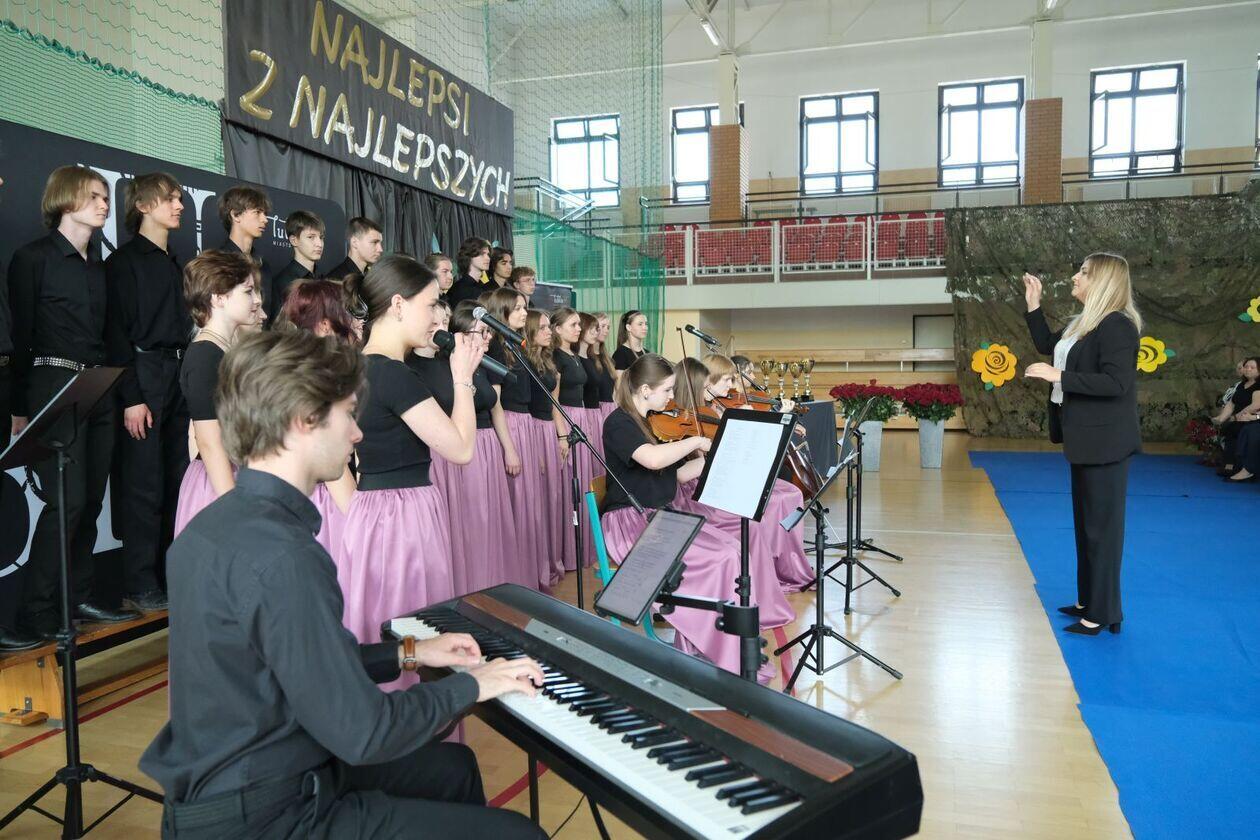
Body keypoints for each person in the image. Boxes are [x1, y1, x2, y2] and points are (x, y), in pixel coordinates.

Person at [139, 328, 545, 840]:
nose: (357, 433)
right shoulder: (285, 556)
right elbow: (365, 731)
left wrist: (411, 654)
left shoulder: (213, 527)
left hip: (241, 780)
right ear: (304, 420)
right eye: (348, 414)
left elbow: (300, 665)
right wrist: (475, 684)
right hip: (266, 813)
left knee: (452, 767)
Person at [338, 255, 483, 687]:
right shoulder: (394, 375)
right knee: (415, 625)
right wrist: (463, 378)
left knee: (379, 617)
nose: (438, 316)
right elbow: (461, 449)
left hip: (369, 511)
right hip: (404, 514)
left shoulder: (354, 366)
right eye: (431, 304)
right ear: (398, 305)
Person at [7, 165, 139, 637]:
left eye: (105, 196)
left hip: (98, 387)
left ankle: (77, 598)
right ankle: (36, 611)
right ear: (66, 198)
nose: (105, 204)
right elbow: (21, 338)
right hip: (52, 385)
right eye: (95, 195)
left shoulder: (101, 267)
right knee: (67, 500)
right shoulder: (32, 258)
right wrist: (20, 406)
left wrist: (124, 395)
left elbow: (113, 336)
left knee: (92, 499)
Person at [600, 354, 770, 679]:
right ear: (645, 390)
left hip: (660, 516)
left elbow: (675, 475)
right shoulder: (619, 422)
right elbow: (652, 460)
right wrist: (696, 440)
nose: (671, 397)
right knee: (719, 557)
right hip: (631, 521)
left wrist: (715, 458)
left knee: (732, 548)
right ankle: (710, 646)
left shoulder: (649, 421)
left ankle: (720, 643)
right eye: (666, 390)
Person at [1023, 256, 1141, 636]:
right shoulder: (1084, 323)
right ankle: (1089, 600)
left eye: (1084, 272)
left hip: (1107, 443)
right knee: (1086, 528)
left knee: (1102, 532)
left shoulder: (1117, 325)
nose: (1075, 276)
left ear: (1103, 281)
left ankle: (1104, 612)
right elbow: (1047, 343)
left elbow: (1116, 383)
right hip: (1085, 440)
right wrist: (1033, 304)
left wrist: (1059, 376)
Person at [104, 171, 193, 614]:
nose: (178, 205)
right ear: (142, 205)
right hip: (143, 373)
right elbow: (115, 334)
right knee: (142, 484)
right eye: (169, 199)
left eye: (179, 198)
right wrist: (132, 396)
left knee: (178, 481)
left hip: (178, 373)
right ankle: (139, 584)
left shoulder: (176, 262)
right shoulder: (123, 262)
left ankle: (169, 577)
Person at [410, 301, 529, 596]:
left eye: (444, 322)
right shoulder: (409, 368)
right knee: (458, 528)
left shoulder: (451, 361)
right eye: (434, 322)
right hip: (443, 456)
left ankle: (490, 586)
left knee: (482, 525)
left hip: (476, 449)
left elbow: (488, 403)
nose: (440, 329)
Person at [173, 250, 263, 536]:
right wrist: (233, 506)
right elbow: (210, 442)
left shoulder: (225, 350)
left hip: (239, 476)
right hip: (220, 484)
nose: (257, 300)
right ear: (218, 298)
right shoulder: (204, 355)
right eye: (248, 291)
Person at [275, 280, 361, 558]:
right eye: (345, 314)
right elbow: (327, 449)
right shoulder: (320, 376)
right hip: (325, 502)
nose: (352, 321)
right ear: (325, 325)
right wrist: (357, 519)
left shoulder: (287, 367)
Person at [486, 288, 548, 589]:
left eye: (525, 307)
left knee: (529, 504)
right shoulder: (497, 348)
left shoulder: (516, 345)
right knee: (518, 502)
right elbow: (495, 403)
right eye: (519, 308)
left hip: (525, 423)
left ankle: (529, 572)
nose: (525, 313)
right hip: (510, 424)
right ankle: (517, 576)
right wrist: (509, 448)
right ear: (503, 312)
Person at [550, 306, 597, 570]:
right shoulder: (556, 357)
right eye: (573, 325)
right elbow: (554, 400)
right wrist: (563, 434)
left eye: (580, 324)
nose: (579, 329)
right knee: (571, 485)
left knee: (583, 483)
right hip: (567, 419)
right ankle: (568, 551)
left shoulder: (574, 355)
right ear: (557, 329)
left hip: (580, 418)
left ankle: (581, 547)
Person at [524, 309, 566, 586]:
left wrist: (562, 436)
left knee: (553, 495)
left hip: (549, 429)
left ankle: (552, 558)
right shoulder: (524, 360)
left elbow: (555, 404)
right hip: (532, 429)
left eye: (549, 327)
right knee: (538, 498)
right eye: (542, 327)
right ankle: (537, 563)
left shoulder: (548, 362)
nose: (548, 331)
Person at [216, 185, 271, 313]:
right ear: (236, 215)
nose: (265, 219)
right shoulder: (218, 263)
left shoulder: (264, 266)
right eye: (257, 212)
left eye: (265, 213)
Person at [269, 209, 325, 317]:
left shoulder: (323, 278)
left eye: (321, 237)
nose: (319, 244)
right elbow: (279, 325)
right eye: (311, 237)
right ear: (294, 240)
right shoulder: (283, 283)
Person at [1211, 356, 1260, 476]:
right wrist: (1221, 418)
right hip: (1238, 419)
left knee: (1238, 430)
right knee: (1229, 430)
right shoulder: (1241, 385)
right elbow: (1231, 403)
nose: (1248, 369)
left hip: (1252, 420)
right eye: (1246, 366)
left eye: (1252, 367)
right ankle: (1229, 466)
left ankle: (1242, 468)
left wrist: (1236, 416)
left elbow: (1255, 405)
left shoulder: (1258, 386)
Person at [325, 216, 384, 282]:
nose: (380, 249)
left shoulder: (372, 275)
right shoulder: (335, 280)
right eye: (374, 242)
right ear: (354, 243)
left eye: (380, 243)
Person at [447, 237, 492, 308]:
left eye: (488, 254)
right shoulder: (460, 290)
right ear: (469, 256)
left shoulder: (484, 286)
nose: (488, 258)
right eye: (482, 254)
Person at [591, 312, 617, 416]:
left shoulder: (608, 360)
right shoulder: (586, 359)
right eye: (602, 326)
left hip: (609, 409)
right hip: (594, 410)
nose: (606, 330)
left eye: (608, 327)